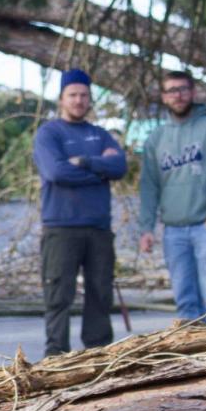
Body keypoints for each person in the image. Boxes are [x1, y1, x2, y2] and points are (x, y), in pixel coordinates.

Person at [33, 67, 127, 357]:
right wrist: (100, 170)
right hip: (61, 228)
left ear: (90, 99)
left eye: (84, 95)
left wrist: (84, 161)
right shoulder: (49, 133)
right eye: (72, 95)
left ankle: (98, 357)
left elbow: (120, 167)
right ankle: (56, 359)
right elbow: (55, 172)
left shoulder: (100, 135)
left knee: (100, 293)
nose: (78, 100)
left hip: (98, 229)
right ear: (61, 99)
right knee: (58, 296)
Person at [138, 70, 206, 327]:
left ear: (193, 92)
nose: (178, 95)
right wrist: (146, 228)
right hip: (174, 232)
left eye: (183, 89)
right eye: (171, 90)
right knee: (185, 302)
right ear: (163, 97)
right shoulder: (156, 138)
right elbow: (149, 187)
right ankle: (191, 362)